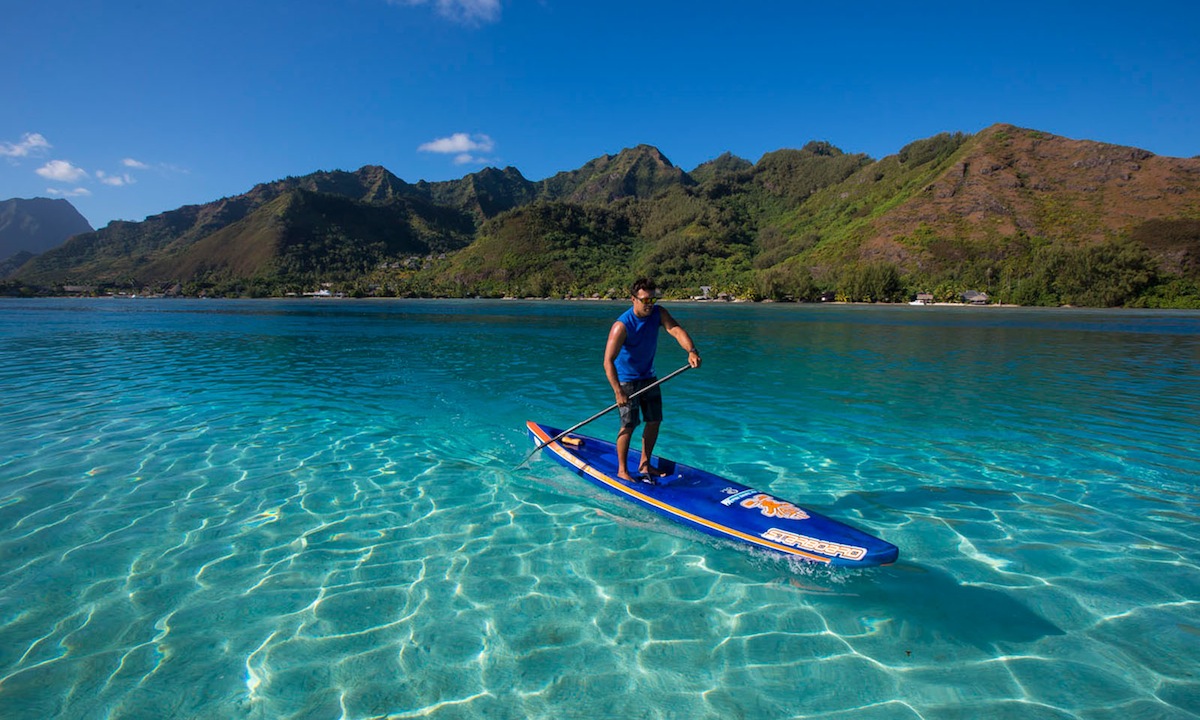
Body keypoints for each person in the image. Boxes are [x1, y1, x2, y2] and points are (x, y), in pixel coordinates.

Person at [603, 278, 702, 483]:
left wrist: (691, 351)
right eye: (645, 300)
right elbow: (608, 361)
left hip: (649, 377)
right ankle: (622, 470)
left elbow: (675, 329)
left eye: (652, 299)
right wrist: (618, 392)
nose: (649, 304)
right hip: (627, 381)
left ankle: (645, 463)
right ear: (633, 299)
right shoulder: (621, 326)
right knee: (628, 425)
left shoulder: (658, 313)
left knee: (654, 421)